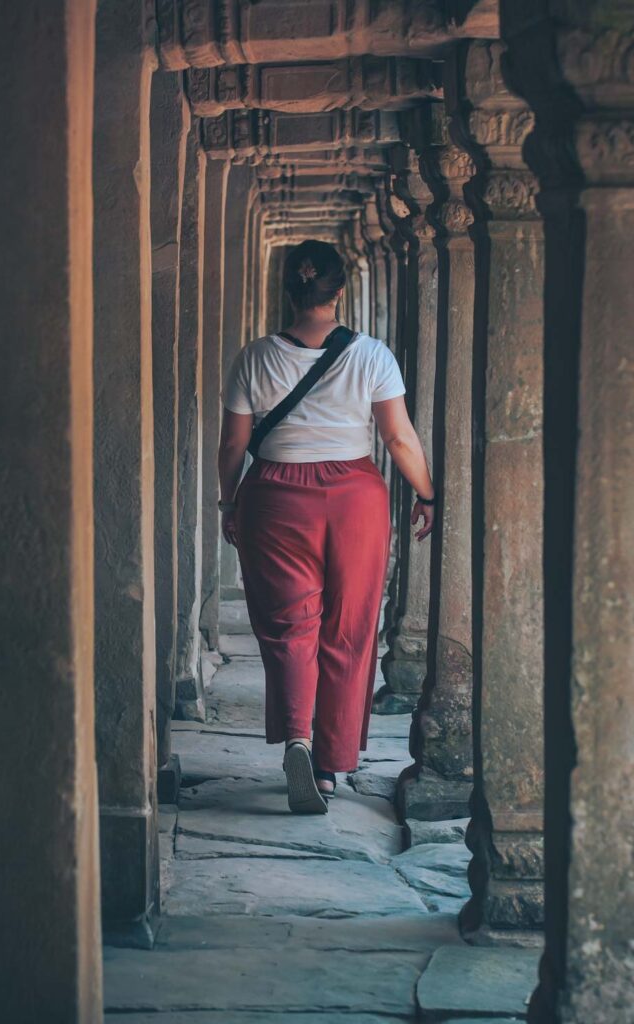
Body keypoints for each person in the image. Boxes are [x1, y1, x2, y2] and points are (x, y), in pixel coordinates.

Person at [218, 239, 434, 814]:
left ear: (289, 289)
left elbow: (234, 445)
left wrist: (228, 503)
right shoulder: (372, 355)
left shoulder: (254, 357)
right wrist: (427, 493)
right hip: (355, 499)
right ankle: (329, 767)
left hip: (275, 497)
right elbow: (398, 438)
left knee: (291, 625)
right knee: (350, 627)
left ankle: (298, 735)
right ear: (339, 290)